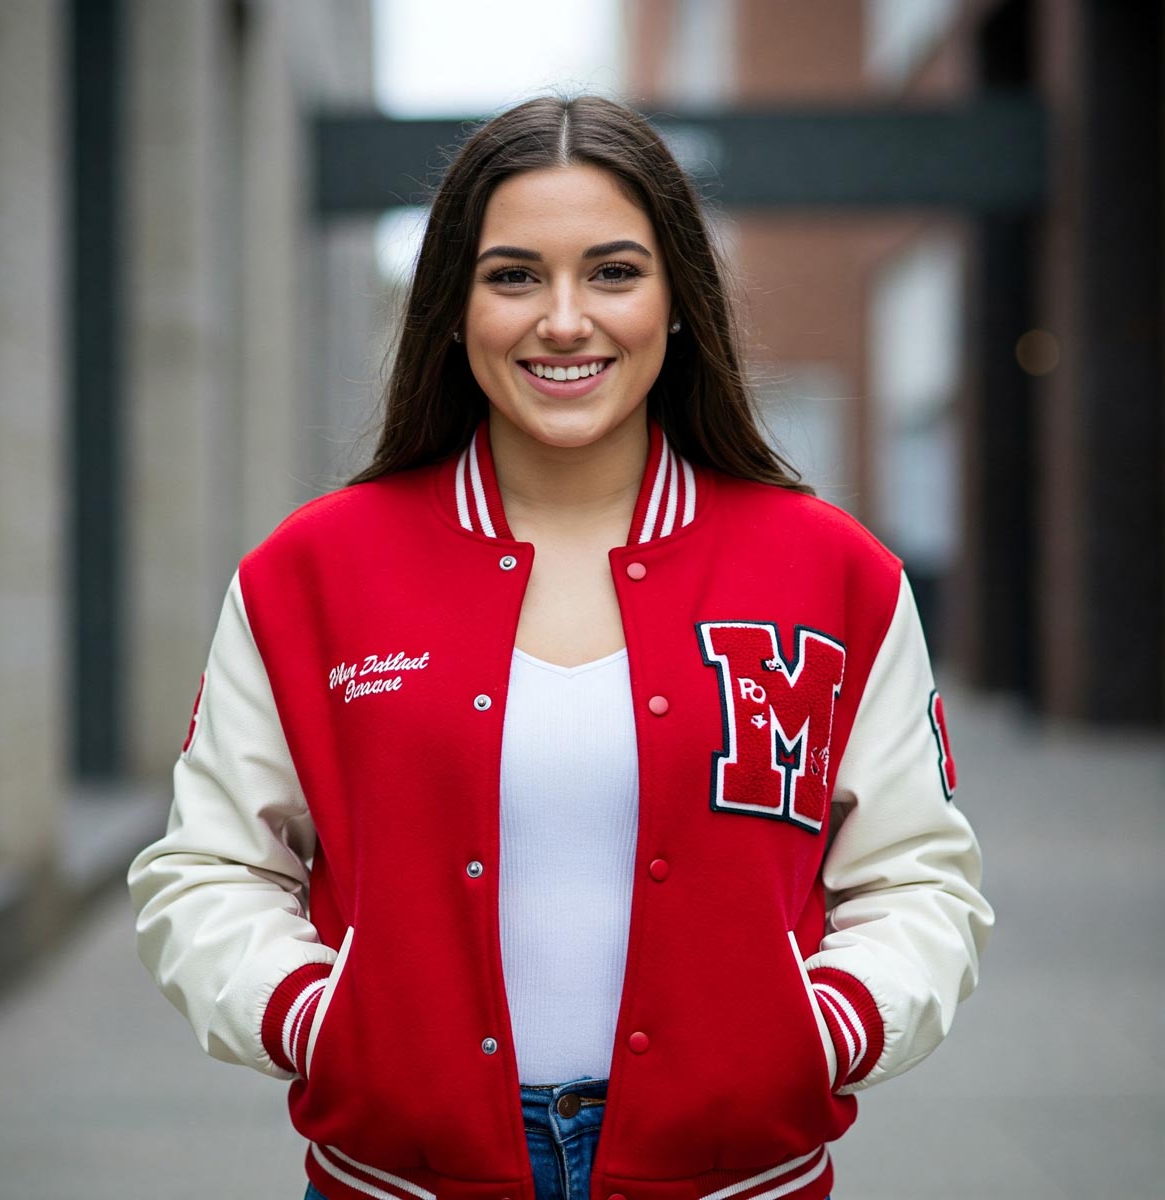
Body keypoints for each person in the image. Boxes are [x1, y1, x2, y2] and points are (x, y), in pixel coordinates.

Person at [128, 94, 992, 1200]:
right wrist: (320, 1019)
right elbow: (208, 871)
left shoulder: (834, 575)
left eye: (615, 272)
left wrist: (823, 1032)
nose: (566, 319)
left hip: (736, 1181)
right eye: (515, 275)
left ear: (680, 299)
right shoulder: (312, 576)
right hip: (402, 1181)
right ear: (453, 307)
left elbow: (918, 878)